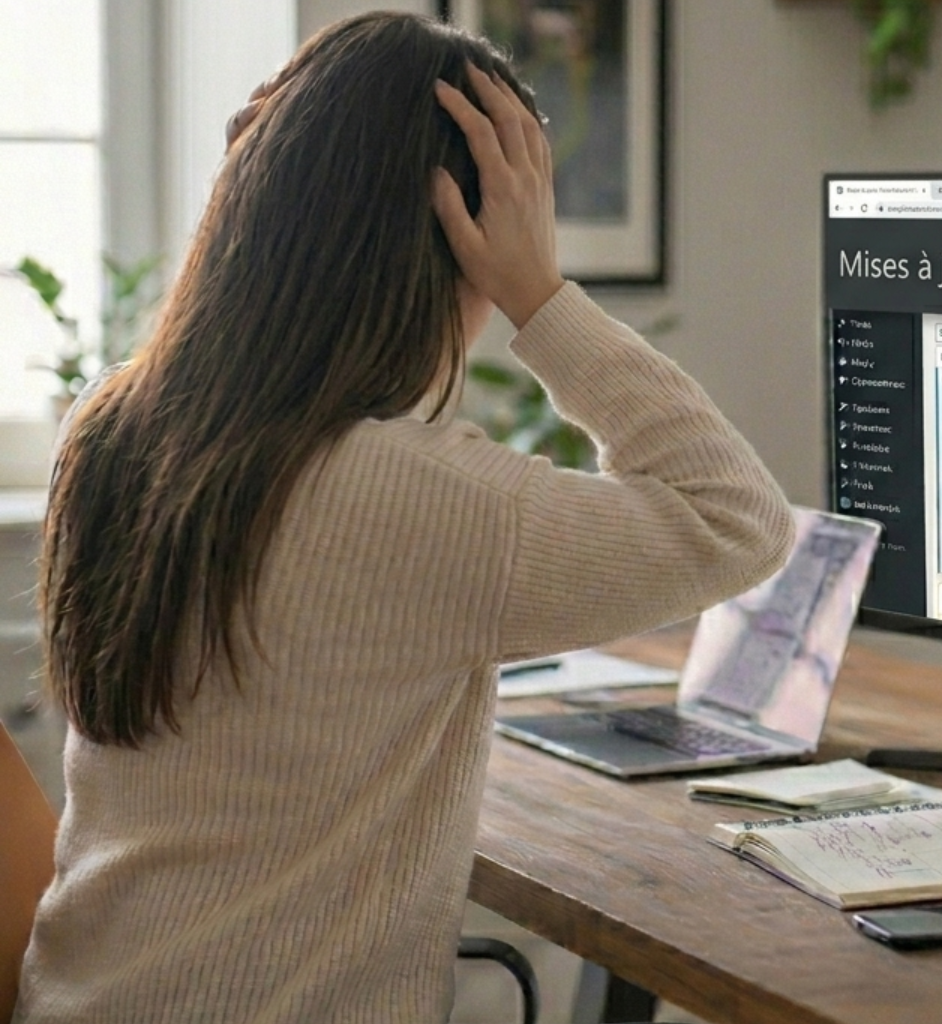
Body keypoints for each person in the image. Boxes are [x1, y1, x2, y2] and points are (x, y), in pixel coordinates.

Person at [17, 12, 793, 1023]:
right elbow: (737, 517)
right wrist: (539, 292)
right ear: (461, 244)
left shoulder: (111, 428)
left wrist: (259, 217)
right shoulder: (409, 496)